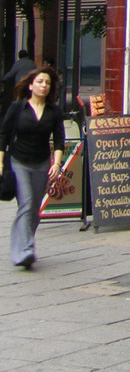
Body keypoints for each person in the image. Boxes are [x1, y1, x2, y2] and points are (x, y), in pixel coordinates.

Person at [0, 66, 65, 269]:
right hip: (19, 162)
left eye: (47, 83)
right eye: (40, 82)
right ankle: (25, 250)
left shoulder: (54, 111)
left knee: (34, 210)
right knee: (26, 204)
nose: (44, 85)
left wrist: (56, 163)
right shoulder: (17, 108)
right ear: (30, 86)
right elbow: (3, 136)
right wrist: (0, 162)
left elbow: (60, 139)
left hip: (42, 164)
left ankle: (22, 246)